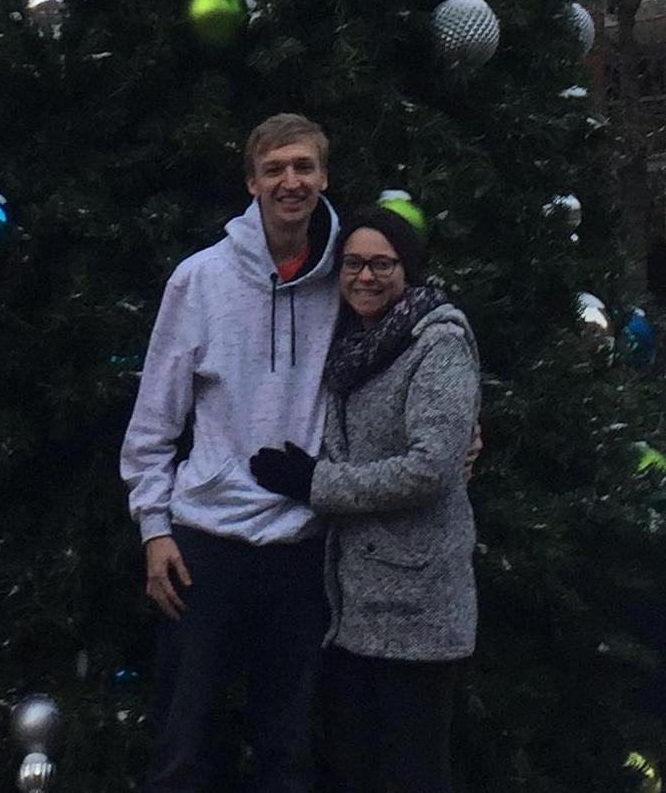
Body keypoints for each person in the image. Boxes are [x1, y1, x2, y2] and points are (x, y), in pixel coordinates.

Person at [121, 113, 343, 793]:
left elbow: (409, 373)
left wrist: (463, 436)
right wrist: (155, 529)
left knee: (289, 753)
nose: (290, 181)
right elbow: (154, 420)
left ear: (324, 177)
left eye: (303, 166)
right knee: (184, 748)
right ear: (251, 183)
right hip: (206, 548)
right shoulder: (200, 280)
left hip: (303, 549)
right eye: (274, 169)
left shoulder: (352, 281)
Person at [250, 209, 480, 793]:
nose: (366, 277)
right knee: (354, 767)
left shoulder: (438, 341)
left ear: (408, 269)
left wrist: (317, 483)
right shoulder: (350, 344)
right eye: (354, 263)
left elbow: (431, 467)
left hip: (418, 606)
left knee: (412, 771)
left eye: (383, 263)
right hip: (353, 606)